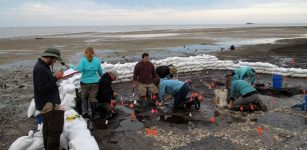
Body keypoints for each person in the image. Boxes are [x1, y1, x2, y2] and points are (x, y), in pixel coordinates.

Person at [33, 48, 64, 150]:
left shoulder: (43, 66)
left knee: (48, 130)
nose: (55, 61)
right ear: (49, 57)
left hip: (46, 102)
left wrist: (53, 76)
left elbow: (44, 83)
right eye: (54, 59)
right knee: (55, 130)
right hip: (48, 103)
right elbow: (42, 89)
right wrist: (55, 78)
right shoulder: (41, 69)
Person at [76, 47, 104, 119]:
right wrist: (102, 77)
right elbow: (100, 72)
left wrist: (73, 67)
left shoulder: (83, 60)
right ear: (93, 52)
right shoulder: (97, 60)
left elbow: (80, 70)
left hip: (84, 82)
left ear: (85, 53)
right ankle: (94, 114)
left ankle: (85, 113)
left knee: (84, 97)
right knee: (93, 98)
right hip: (95, 82)